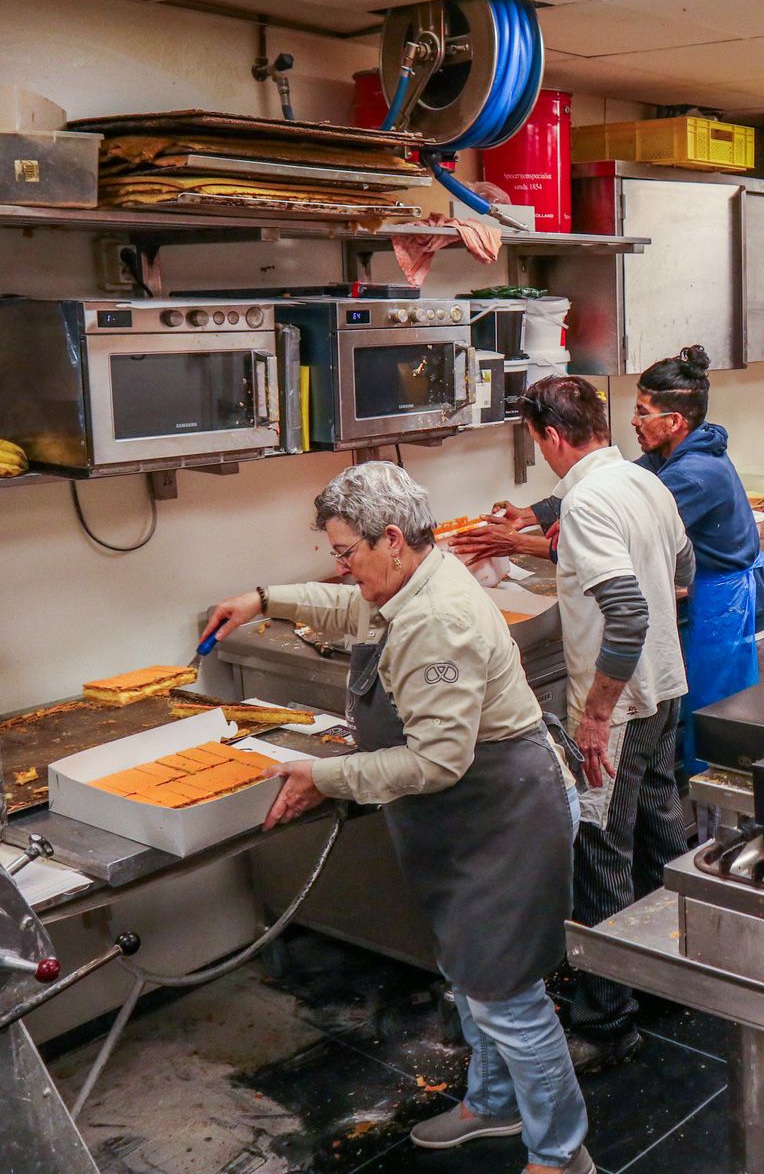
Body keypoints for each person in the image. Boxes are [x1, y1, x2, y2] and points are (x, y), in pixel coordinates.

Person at [200, 462, 592, 1174]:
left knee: (508, 996)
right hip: (463, 823)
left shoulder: (435, 619)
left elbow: (436, 762)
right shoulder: (410, 579)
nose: (342, 568)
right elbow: (348, 611)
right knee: (472, 977)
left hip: (502, 816)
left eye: (346, 553)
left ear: (391, 540)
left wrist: (324, 776)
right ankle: (495, 1103)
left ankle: (561, 1153)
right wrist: (262, 599)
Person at [458, 348, 764, 767]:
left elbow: (630, 563)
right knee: (663, 786)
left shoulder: (690, 475)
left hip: (736, 608)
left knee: (725, 741)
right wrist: (528, 516)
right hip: (701, 609)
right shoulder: (665, 457)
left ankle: (729, 825)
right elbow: (607, 476)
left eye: (642, 412)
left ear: (674, 421)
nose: (633, 421)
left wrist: (517, 544)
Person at [510, 376, 693, 1074]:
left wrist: (594, 716)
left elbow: (629, 611)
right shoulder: (644, 479)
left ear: (552, 437)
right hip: (664, 687)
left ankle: (609, 1022)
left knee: (601, 850)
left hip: (620, 709)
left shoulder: (587, 500)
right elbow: (681, 567)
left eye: (535, 442)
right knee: (658, 831)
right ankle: (669, 982)